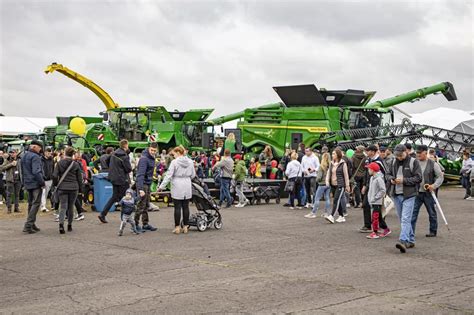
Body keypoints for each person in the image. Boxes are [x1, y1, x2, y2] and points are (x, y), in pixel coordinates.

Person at [387, 144, 422, 253]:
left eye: (401, 155)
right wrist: (391, 179)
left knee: (405, 218)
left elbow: (418, 178)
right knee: (403, 219)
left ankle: (403, 241)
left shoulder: (413, 162)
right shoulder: (392, 162)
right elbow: (387, 174)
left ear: (406, 152)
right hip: (396, 194)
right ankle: (411, 240)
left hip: (409, 194)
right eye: (397, 155)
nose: (399, 157)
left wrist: (404, 181)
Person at [158, 145, 195, 234]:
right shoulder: (190, 161)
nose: (173, 156)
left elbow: (168, 176)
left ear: (178, 153)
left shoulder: (174, 162)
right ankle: (186, 227)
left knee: (177, 207)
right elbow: (193, 175)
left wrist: (161, 187)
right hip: (187, 183)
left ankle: (177, 227)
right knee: (186, 207)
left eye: (174, 154)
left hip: (177, 183)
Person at [411, 145, 444, 240]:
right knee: (413, 213)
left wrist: (433, 186)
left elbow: (440, 177)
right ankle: (410, 232)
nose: (418, 154)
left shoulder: (433, 164)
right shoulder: (414, 163)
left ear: (426, 153)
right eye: (417, 153)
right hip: (416, 192)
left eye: (420, 153)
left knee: (432, 213)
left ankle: (433, 231)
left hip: (428, 193)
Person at [98, 140, 132, 224]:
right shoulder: (124, 156)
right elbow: (129, 169)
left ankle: (103, 214)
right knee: (126, 197)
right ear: (125, 145)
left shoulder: (113, 153)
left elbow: (106, 161)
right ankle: (124, 217)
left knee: (114, 197)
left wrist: (113, 168)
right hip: (122, 179)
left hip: (113, 178)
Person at [53, 147, 83, 234]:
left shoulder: (59, 163)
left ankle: (61, 225)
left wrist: (56, 184)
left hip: (62, 187)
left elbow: (55, 175)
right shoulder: (76, 164)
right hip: (73, 187)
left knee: (63, 206)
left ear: (65, 153)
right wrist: (81, 189)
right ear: (73, 154)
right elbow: (79, 178)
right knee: (71, 206)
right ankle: (69, 225)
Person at [360, 145, 386, 233]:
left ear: (374, 151)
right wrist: (364, 185)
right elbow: (366, 174)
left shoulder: (379, 161)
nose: (367, 153)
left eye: (369, 151)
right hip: (369, 185)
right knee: (367, 205)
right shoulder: (369, 160)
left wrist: (384, 189)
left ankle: (377, 226)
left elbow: (385, 174)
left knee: (376, 208)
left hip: (377, 188)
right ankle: (369, 225)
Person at [21, 141, 45, 234]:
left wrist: (24, 183)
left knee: (31, 204)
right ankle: (28, 225)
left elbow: (21, 171)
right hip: (35, 183)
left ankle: (32, 224)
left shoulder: (24, 156)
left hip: (28, 182)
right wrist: (42, 182)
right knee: (36, 204)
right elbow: (36, 172)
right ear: (35, 147)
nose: (40, 150)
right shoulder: (35, 157)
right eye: (39, 148)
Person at [135, 142, 159, 232]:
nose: (153, 152)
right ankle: (135, 224)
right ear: (149, 148)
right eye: (152, 150)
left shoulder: (152, 158)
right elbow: (140, 174)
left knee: (146, 205)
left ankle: (145, 224)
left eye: (154, 151)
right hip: (143, 184)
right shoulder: (144, 159)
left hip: (148, 183)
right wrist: (140, 189)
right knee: (141, 205)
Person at [366, 162, 391, 239]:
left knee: (375, 217)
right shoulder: (372, 178)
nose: (368, 170)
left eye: (369, 169)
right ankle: (386, 229)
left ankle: (375, 232)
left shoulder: (379, 179)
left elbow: (383, 190)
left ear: (373, 170)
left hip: (377, 201)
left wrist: (375, 197)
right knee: (379, 217)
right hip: (373, 201)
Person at [325, 148, 350, 224]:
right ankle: (341, 216)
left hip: (340, 185)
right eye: (332, 154)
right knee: (337, 200)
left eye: (334, 154)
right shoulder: (331, 163)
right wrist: (327, 181)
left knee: (336, 200)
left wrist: (347, 186)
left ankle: (332, 216)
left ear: (338, 155)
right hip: (333, 185)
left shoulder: (343, 163)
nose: (332, 155)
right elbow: (329, 173)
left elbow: (346, 175)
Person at [305, 152, 331, 218]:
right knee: (327, 198)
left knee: (317, 199)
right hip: (328, 184)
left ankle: (313, 213)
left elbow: (319, 177)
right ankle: (326, 213)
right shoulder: (331, 166)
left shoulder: (321, 167)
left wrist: (317, 180)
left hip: (322, 184)